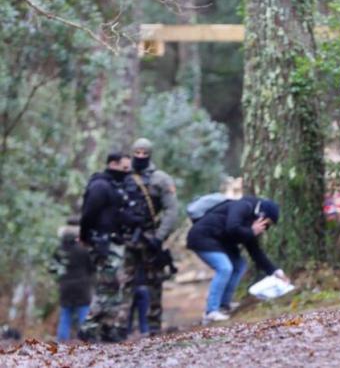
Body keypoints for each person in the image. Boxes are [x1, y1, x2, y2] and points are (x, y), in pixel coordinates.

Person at [186, 196, 288, 323]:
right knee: (224, 268)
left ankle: (223, 305)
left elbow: (255, 252)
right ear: (262, 215)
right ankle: (211, 311)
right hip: (202, 237)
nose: (265, 228)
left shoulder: (251, 223)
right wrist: (251, 231)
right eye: (266, 223)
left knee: (239, 265)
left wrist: (276, 272)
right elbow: (232, 227)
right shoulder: (244, 206)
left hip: (219, 242)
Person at [122, 137, 180, 335]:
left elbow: (172, 211)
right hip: (126, 239)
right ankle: (122, 327)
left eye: (144, 154)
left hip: (150, 238)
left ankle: (154, 327)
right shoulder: (122, 177)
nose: (140, 157)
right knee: (123, 283)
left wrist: (159, 236)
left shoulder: (161, 179)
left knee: (154, 282)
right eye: (137, 153)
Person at [77, 152, 133, 342]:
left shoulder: (115, 187)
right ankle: (89, 327)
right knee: (107, 286)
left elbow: (116, 215)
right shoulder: (100, 185)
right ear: (113, 164)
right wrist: (85, 236)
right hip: (102, 243)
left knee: (115, 286)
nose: (128, 172)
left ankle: (107, 327)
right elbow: (88, 215)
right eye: (124, 168)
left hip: (113, 242)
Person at [49, 226, 94, 342]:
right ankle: (86, 340)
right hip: (82, 286)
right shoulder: (83, 250)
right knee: (83, 313)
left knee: (65, 315)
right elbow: (91, 267)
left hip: (65, 286)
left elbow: (52, 268)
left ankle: (62, 341)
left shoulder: (59, 250)